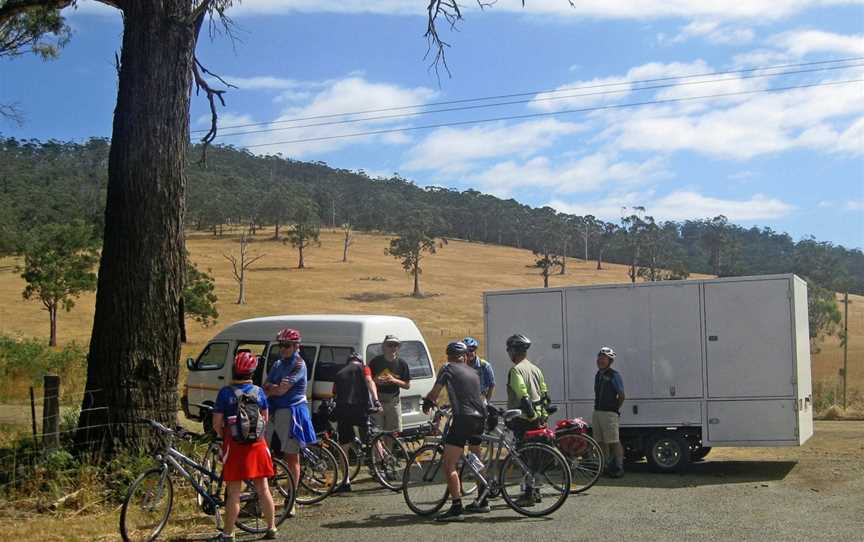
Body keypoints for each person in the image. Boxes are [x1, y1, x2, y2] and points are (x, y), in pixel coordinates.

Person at [212, 352, 277, 541]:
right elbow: (265, 419)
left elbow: (217, 423)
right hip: (258, 445)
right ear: (252, 372)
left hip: (235, 446)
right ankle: (271, 528)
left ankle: (228, 533)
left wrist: (222, 436)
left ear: (234, 370)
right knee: (263, 489)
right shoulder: (259, 392)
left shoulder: (225, 393)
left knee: (233, 493)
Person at [422, 341, 487, 522]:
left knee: (449, 463)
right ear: (465, 357)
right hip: (480, 416)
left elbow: (435, 391)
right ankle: (482, 499)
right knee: (475, 457)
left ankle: (456, 507)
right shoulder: (473, 371)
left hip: (464, 418)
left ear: (448, 356)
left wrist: (428, 403)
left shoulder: (447, 368)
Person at [263, 328, 317, 501]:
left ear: (296, 346)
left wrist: (274, 388)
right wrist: (273, 389)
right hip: (273, 411)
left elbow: (280, 390)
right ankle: (263, 495)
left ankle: (291, 498)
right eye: (281, 345)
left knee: (291, 456)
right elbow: (266, 387)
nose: (283, 349)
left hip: (292, 411)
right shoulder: (278, 364)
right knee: (264, 452)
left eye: (286, 345)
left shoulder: (299, 364)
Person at [331, 352, 381, 492]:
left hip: (344, 410)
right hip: (362, 409)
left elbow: (334, 393)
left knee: (344, 446)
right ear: (360, 361)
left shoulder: (340, 372)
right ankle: (380, 469)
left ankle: (345, 481)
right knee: (374, 439)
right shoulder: (364, 368)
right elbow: (370, 382)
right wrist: (376, 400)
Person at [505, 334, 551, 443]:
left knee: (522, 454)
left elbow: (524, 397)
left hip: (524, 418)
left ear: (513, 351)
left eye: (509, 350)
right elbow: (545, 396)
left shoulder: (516, 370)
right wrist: (542, 417)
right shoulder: (536, 369)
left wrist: (532, 416)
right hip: (538, 418)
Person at [593, 346, 625, 478]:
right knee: (600, 441)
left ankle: (619, 467)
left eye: (604, 358)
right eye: (599, 357)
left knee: (614, 441)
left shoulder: (614, 375)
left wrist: (615, 408)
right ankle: (605, 465)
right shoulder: (598, 375)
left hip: (609, 413)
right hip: (598, 412)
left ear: (610, 360)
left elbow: (621, 395)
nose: (600, 360)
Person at [368, 334, 411, 432]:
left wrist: (394, 380)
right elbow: (368, 381)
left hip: (393, 402)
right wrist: (376, 380)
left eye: (395, 345)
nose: (392, 348)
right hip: (377, 401)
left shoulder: (402, 364)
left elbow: (407, 385)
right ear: (384, 346)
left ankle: (389, 448)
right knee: (376, 432)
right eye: (389, 345)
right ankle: (378, 448)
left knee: (392, 433)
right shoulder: (375, 362)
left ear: (398, 347)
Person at [464, 337, 495, 402]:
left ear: (475, 350)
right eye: (466, 351)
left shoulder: (485, 366)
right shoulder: (461, 366)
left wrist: (487, 401)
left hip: (480, 401)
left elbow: (491, 385)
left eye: (471, 350)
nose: (469, 353)